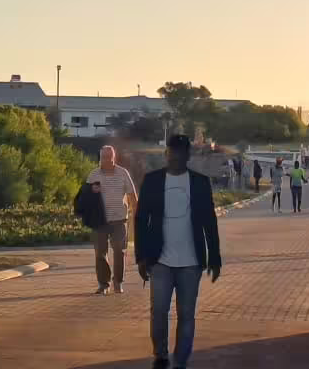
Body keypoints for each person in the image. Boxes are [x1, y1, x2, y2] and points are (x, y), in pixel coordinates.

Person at [136, 135, 222, 369]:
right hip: (160, 260)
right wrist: (141, 258)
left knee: (186, 314)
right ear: (166, 155)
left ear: (187, 156)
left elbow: (209, 221)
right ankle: (161, 353)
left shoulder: (200, 182)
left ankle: (181, 360)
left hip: (191, 262)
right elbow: (141, 219)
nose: (174, 159)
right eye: (171, 154)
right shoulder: (153, 181)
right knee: (159, 311)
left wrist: (215, 257)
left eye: (180, 155)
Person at [85, 145, 138, 295]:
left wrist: (137, 216)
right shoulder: (94, 175)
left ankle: (118, 282)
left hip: (119, 220)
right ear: (100, 158)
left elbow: (132, 196)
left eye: (109, 157)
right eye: (103, 157)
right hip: (99, 221)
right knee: (100, 253)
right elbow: (86, 197)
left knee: (119, 251)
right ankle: (103, 284)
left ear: (114, 157)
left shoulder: (123, 173)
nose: (106, 160)